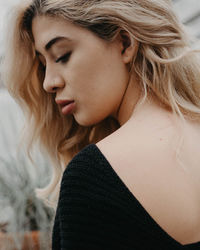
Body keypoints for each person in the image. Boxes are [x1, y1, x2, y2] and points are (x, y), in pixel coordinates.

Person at [3, 0, 200, 249]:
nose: (48, 83)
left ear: (124, 43)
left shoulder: (94, 175)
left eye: (62, 56)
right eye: (43, 66)